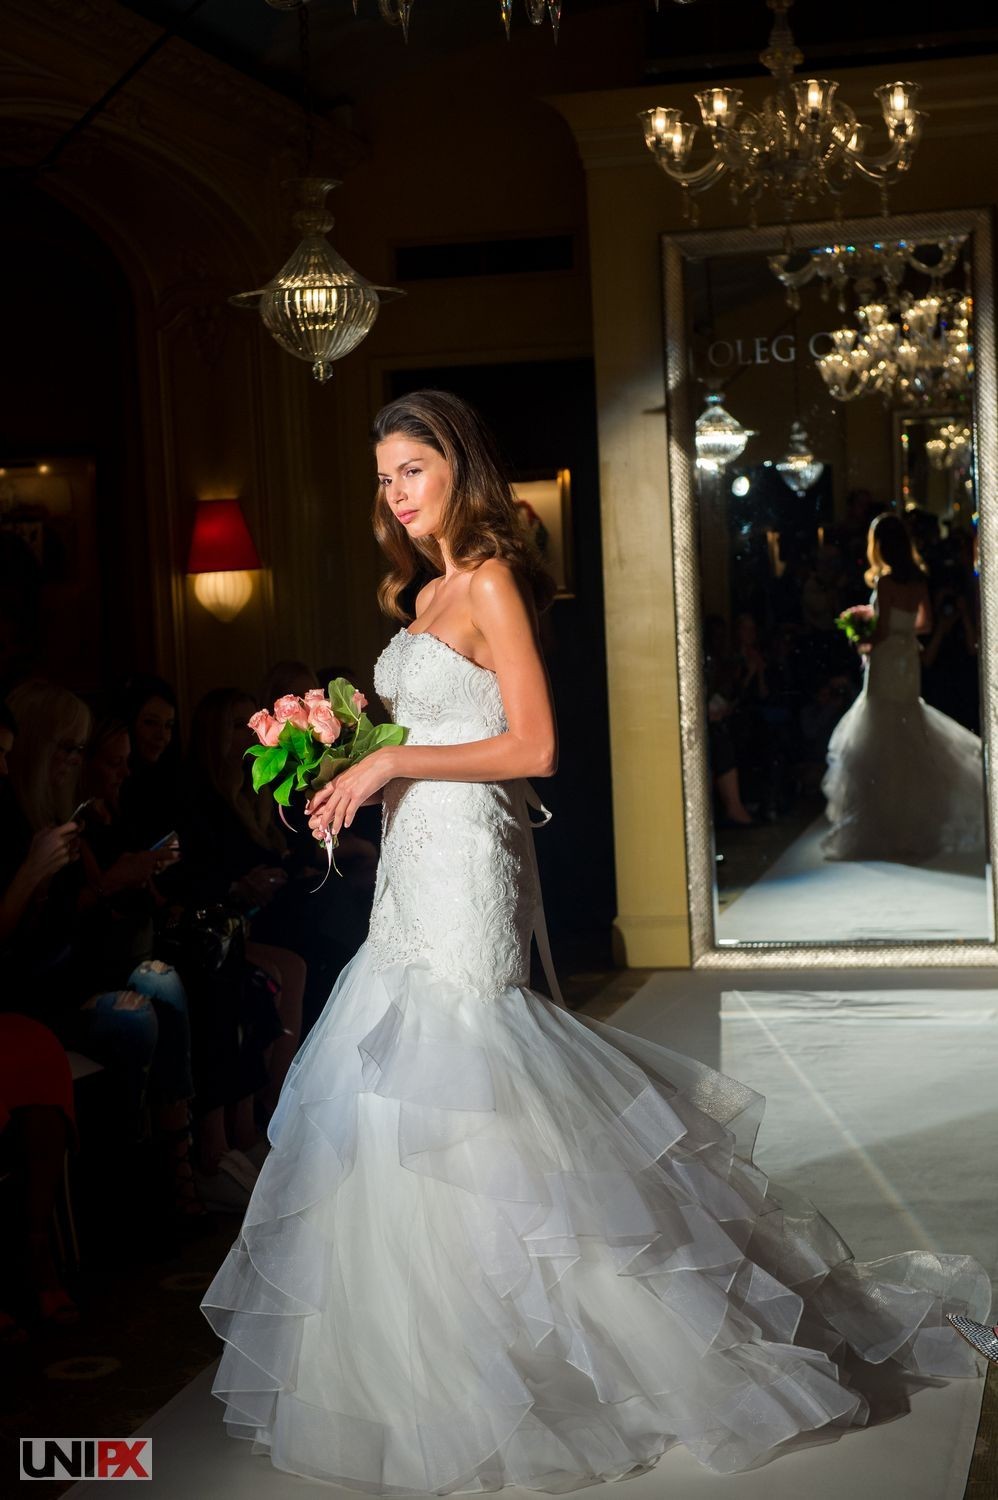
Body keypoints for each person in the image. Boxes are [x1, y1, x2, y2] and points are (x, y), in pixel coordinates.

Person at [201, 392, 990, 1491]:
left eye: (412, 468)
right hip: (415, 861)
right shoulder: (420, 594)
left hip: (467, 864)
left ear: (458, 468)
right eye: (383, 476)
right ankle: (437, 1355)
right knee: (395, 1081)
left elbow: (534, 746)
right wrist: (353, 771)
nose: (395, 491)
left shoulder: (489, 580)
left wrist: (390, 761)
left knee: (469, 1062)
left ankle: (593, 1346)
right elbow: (436, 734)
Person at [822, 512, 986, 863]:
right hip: (907, 658)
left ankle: (884, 825)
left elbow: (881, 631)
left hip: (886, 660)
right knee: (905, 727)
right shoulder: (918, 581)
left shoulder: (885, 583)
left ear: (881, 546)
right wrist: (903, 631)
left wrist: (863, 641)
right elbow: (925, 624)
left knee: (879, 729)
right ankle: (908, 825)